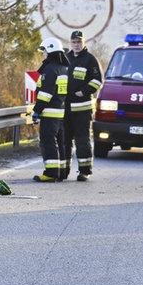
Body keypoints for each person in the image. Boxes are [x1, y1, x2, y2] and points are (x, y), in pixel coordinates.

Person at [64, 30, 102, 181]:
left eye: (79, 42)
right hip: (66, 108)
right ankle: (63, 170)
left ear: (84, 43)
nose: (76, 45)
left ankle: (84, 171)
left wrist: (84, 91)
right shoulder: (65, 58)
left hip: (82, 108)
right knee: (65, 140)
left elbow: (98, 81)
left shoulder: (90, 60)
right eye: (74, 42)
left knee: (82, 140)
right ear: (70, 43)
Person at [32, 37, 69, 182]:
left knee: (48, 142)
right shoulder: (62, 69)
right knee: (60, 143)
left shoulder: (50, 69)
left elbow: (46, 93)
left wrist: (36, 110)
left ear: (51, 51)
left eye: (45, 51)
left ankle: (50, 173)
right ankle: (60, 172)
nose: (43, 54)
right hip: (60, 113)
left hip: (49, 113)